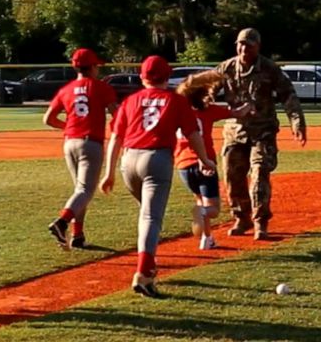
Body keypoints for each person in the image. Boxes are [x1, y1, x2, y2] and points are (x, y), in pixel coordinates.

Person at [99, 55, 216, 297]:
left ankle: (147, 267)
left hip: (128, 161)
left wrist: (109, 172)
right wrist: (204, 159)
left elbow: (116, 138)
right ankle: (144, 272)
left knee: (146, 215)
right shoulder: (175, 100)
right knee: (151, 217)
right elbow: (192, 133)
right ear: (167, 77)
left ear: (142, 77)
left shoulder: (130, 101)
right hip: (157, 159)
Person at [213, 27, 306, 240]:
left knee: (259, 173)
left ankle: (260, 221)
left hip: (262, 131)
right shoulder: (227, 67)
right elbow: (208, 90)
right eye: (241, 44)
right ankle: (241, 217)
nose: (244, 48)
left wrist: (297, 122)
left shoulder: (269, 68)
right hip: (234, 132)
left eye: (249, 45)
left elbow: (288, 95)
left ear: (258, 47)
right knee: (232, 176)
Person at [43, 48, 117, 249]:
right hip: (90, 142)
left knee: (80, 191)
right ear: (92, 67)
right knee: (85, 190)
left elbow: (48, 119)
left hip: (70, 143)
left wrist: (67, 126)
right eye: (96, 66)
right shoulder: (101, 87)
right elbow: (116, 115)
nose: (98, 70)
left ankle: (78, 235)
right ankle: (62, 222)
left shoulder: (66, 89)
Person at [174, 70, 252, 250]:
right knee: (213, 209)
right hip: (205, 162)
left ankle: (207, 239)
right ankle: (201, 216)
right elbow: (238, 113)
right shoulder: (208, 111)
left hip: (183, 165)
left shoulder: (178, 112)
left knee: (201, 201)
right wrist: (249, 105)